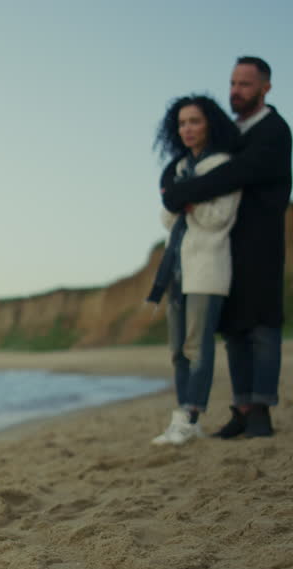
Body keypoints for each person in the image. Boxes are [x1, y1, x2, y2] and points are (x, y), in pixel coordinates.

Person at [161, 56, 293, 438]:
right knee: (234, 329)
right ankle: (242, 408)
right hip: (227, 244)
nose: (235, 91)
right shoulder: (230, 134)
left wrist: (180, 193)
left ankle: (261, 412)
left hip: (263, 242)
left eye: (245, 85)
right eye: (233, 83)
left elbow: (236, 173)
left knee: (263, 327)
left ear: (266, 87)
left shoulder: (274, 130)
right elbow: (188, 164)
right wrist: (170, 182)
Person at [147, 95, 241, 445]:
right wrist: (186, 200)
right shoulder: (178, 168)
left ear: (209, 124)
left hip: (208, 265)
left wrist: (187, 201)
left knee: (197, 346)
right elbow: (167, 217)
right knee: (176, 349)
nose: (187, 128)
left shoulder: (223, 166)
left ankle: (191, 413)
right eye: (182, 123)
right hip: (176, 267)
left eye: (195, 121)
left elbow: (219, 218)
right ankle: (183, 416)